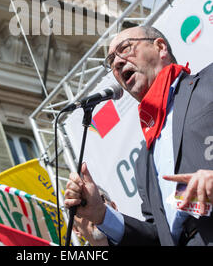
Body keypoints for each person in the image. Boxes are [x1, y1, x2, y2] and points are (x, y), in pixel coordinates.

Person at [64, 25, 213, 246]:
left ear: (160, 47)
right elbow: (157, 237)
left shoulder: (208, 83)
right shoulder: (144, 159)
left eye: (125, 48)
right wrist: (101, 214)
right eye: (111, 61)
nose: (117, 62)